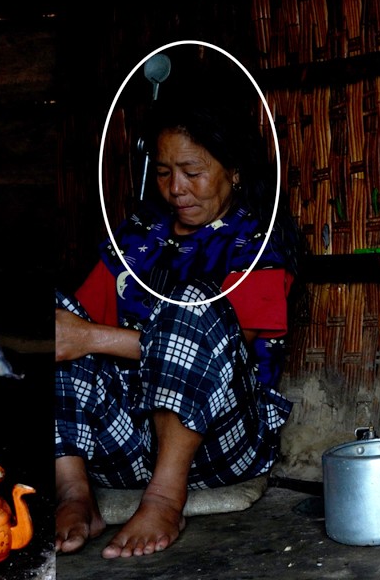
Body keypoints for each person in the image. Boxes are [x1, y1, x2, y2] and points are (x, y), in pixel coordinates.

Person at [54, 83, 302, 559]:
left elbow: (224, 341)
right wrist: (78, 333)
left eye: (192, 172)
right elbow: (73, 323)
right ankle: (73, 491)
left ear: (233, 169)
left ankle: (166, 498)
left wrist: (90, 337)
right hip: (126, 445)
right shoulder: (140, 233)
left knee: (196, 303)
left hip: (220, 445)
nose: (176, 189)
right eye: (165, 173)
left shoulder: (256, 243)